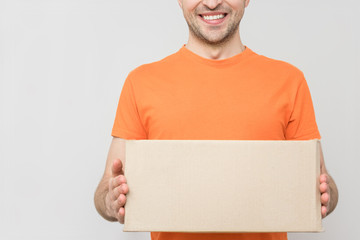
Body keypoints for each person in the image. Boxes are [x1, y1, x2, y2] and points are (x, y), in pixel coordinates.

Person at [94, 0, 339, 240]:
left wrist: (325, 193)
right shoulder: (141, 83)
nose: (212, 3)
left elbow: (322, 184)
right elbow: (105, 191)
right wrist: (111, 199)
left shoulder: (289, 81)